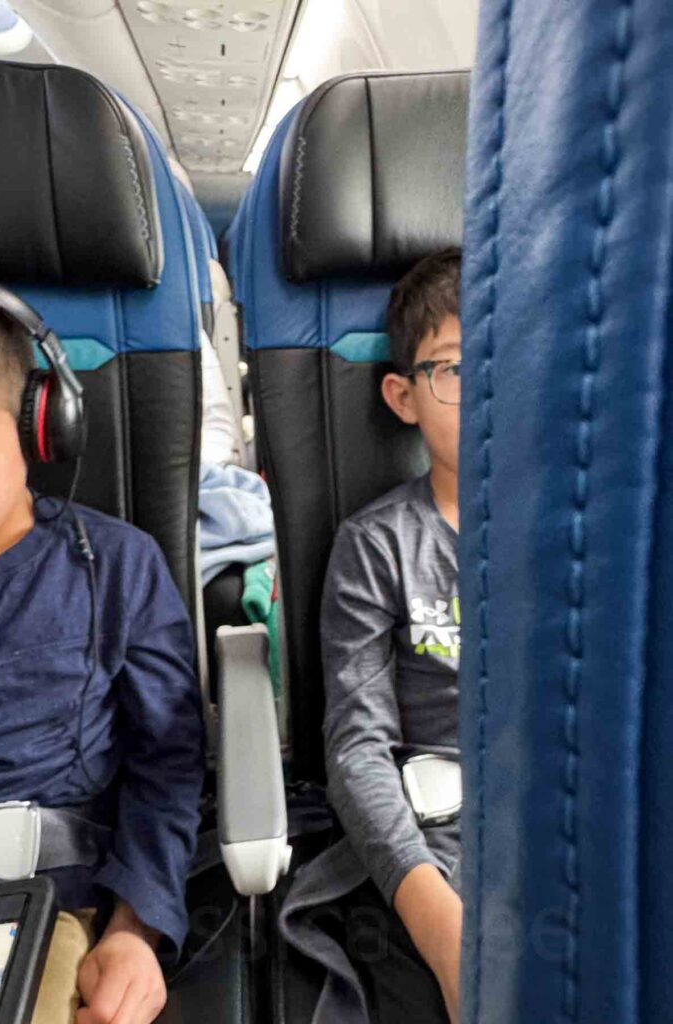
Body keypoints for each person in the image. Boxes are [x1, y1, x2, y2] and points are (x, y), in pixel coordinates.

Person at [0, 302, 205, 1024]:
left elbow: (167, 762)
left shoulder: (113, 566)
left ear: (35, 430)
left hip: (39, 903)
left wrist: (133, 929)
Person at [279, 248, 463, 1024]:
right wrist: (442, 928)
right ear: (403, 395)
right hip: (434, 856)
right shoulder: (379, 545)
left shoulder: (608, 534)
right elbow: (356, 748)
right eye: (454, 369)